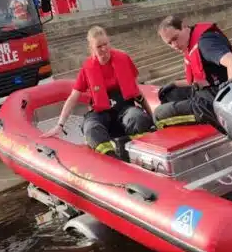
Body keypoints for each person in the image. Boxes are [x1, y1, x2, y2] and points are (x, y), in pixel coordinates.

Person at [42, 26, 154, 158]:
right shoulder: (87, 68)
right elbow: (73, 97)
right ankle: (111, 158)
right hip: (101, 114)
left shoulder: (123, 58)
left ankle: (139, 153)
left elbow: (137, 91)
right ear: (91, 49)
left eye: (106, 44)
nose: (104, 49)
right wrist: (60, 125)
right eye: (99, 46)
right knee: (91, 128)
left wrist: (152, 117)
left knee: (137, 117)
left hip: (125, 109)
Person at [153, 15, 232, 130]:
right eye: (170, 43)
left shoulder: (205, 43)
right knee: (170, 94)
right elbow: (200, 79)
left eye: (175, 38)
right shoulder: (190, 42)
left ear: (184, 26)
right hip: (207, 92)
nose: (175, 45)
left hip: (214, 103)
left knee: (159, 114)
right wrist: (174, 84)